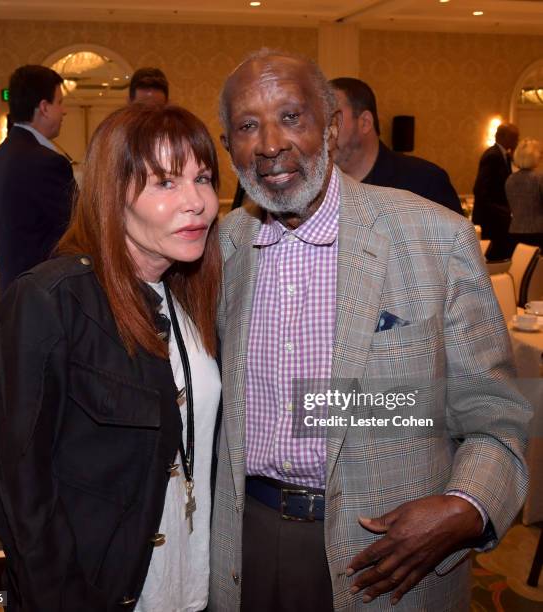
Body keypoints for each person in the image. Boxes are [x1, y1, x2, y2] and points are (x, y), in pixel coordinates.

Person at [210, 49, 530, 611]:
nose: (269, 145)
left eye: (291, 117)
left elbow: (497, 417)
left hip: (391, 561)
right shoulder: (215, 251)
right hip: (242, 548)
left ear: (332, 127)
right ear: (228, 144)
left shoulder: (434, 237)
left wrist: (465, 503)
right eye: (246, 126)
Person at [0, 104, 222, 611]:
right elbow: (17, 483)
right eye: (165, 183)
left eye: (202, 178)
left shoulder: (189, 295)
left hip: (188, 583)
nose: (196, 202)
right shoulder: (51, 300)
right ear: (113, 195)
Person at [0, 65, 76, 294]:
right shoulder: (46, 162)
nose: (64, 111)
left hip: (13, 287)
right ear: (44, 108)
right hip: (43, 293)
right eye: (60, 102)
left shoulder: (0, 154)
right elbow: (75, 228)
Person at [328, 77, 463, 216]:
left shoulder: (425, 183)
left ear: (365, 123)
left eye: (332, 119)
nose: (324, 131)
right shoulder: (318, 191)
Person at [472, 123, 520, 261]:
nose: (517, 141)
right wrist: (505, 211)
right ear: (505, 137)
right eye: (515, 138)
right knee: (494, 257)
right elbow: (480, 190)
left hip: (496, 218)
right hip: (491, 220)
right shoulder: (493, 156)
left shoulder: (504, 156)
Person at [506, 137, 543, 250]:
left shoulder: (510, 179)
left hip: (514, 230)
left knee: (520, 265)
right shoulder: (539, 178)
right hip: (537, 231)